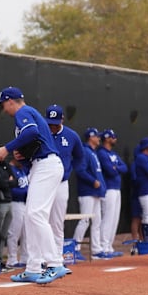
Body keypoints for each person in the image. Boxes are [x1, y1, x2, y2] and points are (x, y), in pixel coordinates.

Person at [0, 86, 67, 284]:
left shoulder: (23, 111)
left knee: (36, 215)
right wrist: (21, 155)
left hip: (47, 165)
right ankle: (33, 267)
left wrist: (7, 148)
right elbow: (35, 142)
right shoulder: (28, 112)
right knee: (30, 216)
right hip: (42, 165)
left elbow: (32, 132)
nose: (4, 109)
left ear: (10, 101)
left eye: (4, 105)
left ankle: (54, 262)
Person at [44, 104, 85, 261]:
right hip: (44, 182)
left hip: (61, 183)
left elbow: (80, 156)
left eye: (55, 123)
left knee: (57, 221)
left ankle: (56, 258)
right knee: (40, 219)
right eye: (50, 123)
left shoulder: (71, 135)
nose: (52, 127)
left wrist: (69, 170)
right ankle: (41, 258)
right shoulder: (42, 133)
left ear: (62, 119)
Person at [74, 128, 108, 259]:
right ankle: (76, 248)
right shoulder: (85, 151)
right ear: (91, 137)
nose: (99, 138)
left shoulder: (93, 153)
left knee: (97, 221)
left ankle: (96, 249)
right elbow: (80, 170)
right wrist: (93, 181)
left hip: (96, 192)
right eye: (97, 136)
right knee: (85, 220)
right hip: (87, 192)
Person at [97, 129, 128, 258]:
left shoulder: (113, 153)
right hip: (108, 188)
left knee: (114, 218)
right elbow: (110, 170)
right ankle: (103, 246)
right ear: (107, 138)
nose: (115, 139)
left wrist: (117, 167)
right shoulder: (102, 153)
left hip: (116, 188)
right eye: (112, 137)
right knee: (107, 218)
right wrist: (115, 168)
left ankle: (109, 246)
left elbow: (124, 168)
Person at [5, 151, 30, 268]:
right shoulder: (10, 169)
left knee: (26, 232)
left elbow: (27, 186)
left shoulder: (22, 169)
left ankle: (25, 257)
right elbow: (12, 190)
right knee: (14, 232)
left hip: (25, 204)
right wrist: (26, 193)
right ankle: (12, 259)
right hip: (15, 203)